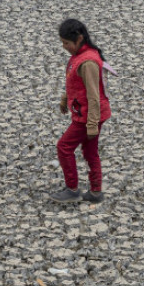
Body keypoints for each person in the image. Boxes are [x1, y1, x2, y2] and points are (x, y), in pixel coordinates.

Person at [49, 19, 112, 204]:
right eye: (62, 43)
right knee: (90, 151)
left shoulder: (88, 63)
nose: (64, 47)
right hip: (86, 112)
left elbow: (93, 96)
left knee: (64, 147)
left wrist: (91, 124)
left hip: (88, 116)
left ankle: (72, 189)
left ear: (79, 39)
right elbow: (74, 84)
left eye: (67, 43)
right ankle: (95, 192)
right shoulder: (79, 57)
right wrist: (64, 100)